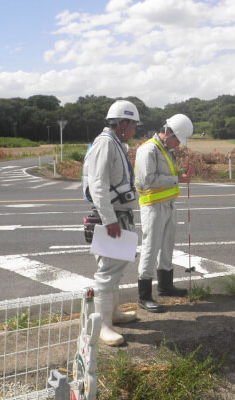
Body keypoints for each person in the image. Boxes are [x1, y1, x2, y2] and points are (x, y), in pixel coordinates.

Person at [82, 99, 140, 346]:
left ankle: (112, 313)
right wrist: (109, 220)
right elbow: (98, 185)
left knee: (117, 267)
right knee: (106, 272)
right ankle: (103, 326)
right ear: (123, 123)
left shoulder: (116, 143)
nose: (135, 130)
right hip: (111, 217)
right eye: (134, 125)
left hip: (119, 215)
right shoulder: (105, 144)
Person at [134, 114, 194, 313]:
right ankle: (144, 296)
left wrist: (179, 178)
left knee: (167, 246)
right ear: (167, 132)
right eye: (177, 139)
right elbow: (148, 179)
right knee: (150, 248)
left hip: (168, 204)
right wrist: (177, 179)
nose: (178, 145)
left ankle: (165, 286)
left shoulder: (166, 150)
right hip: (152, 206)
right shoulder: (148, 149)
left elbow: (168, 176)